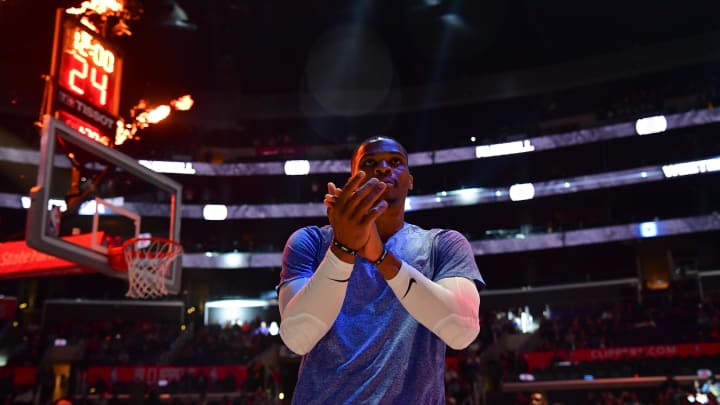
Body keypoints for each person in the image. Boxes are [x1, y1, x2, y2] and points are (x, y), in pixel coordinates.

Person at [277, 136, 485, 404]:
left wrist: (381, 257)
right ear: (353, 180)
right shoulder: (310, 242)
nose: (384, 168)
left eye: (396, 162)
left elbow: (462, 331)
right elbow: (297, 339)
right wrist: (342, 249)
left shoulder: (443, 244)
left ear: (410, 179)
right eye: (370, 163)